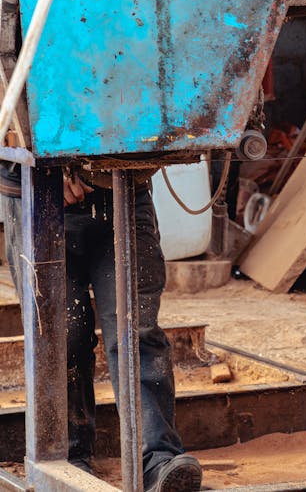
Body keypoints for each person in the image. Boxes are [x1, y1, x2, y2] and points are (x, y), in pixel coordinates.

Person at [0, 165, 202, 492]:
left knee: (136, 330)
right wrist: (50, 167)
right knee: (61, 337)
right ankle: (66, 457)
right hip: (36, 197)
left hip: (122, 188)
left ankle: (158, 458)